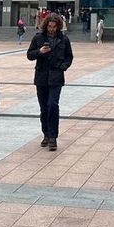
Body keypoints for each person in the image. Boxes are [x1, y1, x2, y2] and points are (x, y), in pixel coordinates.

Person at [27, 13, 73, 151]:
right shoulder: (38, 38)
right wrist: (39, 52)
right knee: (44, 108)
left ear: (58, 26)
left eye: (54, 26)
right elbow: (29, 55)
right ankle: (46, 134)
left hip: (56, 77)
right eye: (49, 26)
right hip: (41, 77)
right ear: (46, 25)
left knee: (52, 105)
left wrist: (63, 67)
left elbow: (69, 57)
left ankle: (53, 137)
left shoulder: (63, 39)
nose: (51, 29)